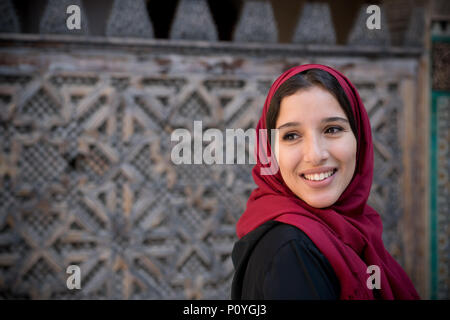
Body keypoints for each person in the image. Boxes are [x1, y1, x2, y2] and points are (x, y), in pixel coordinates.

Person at [231, 64, 420, 300]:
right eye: (291, 135)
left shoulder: (357, 231)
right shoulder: (291, 251)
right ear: (269, 150)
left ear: (359, 139)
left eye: (332, 129)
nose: (315, 154)